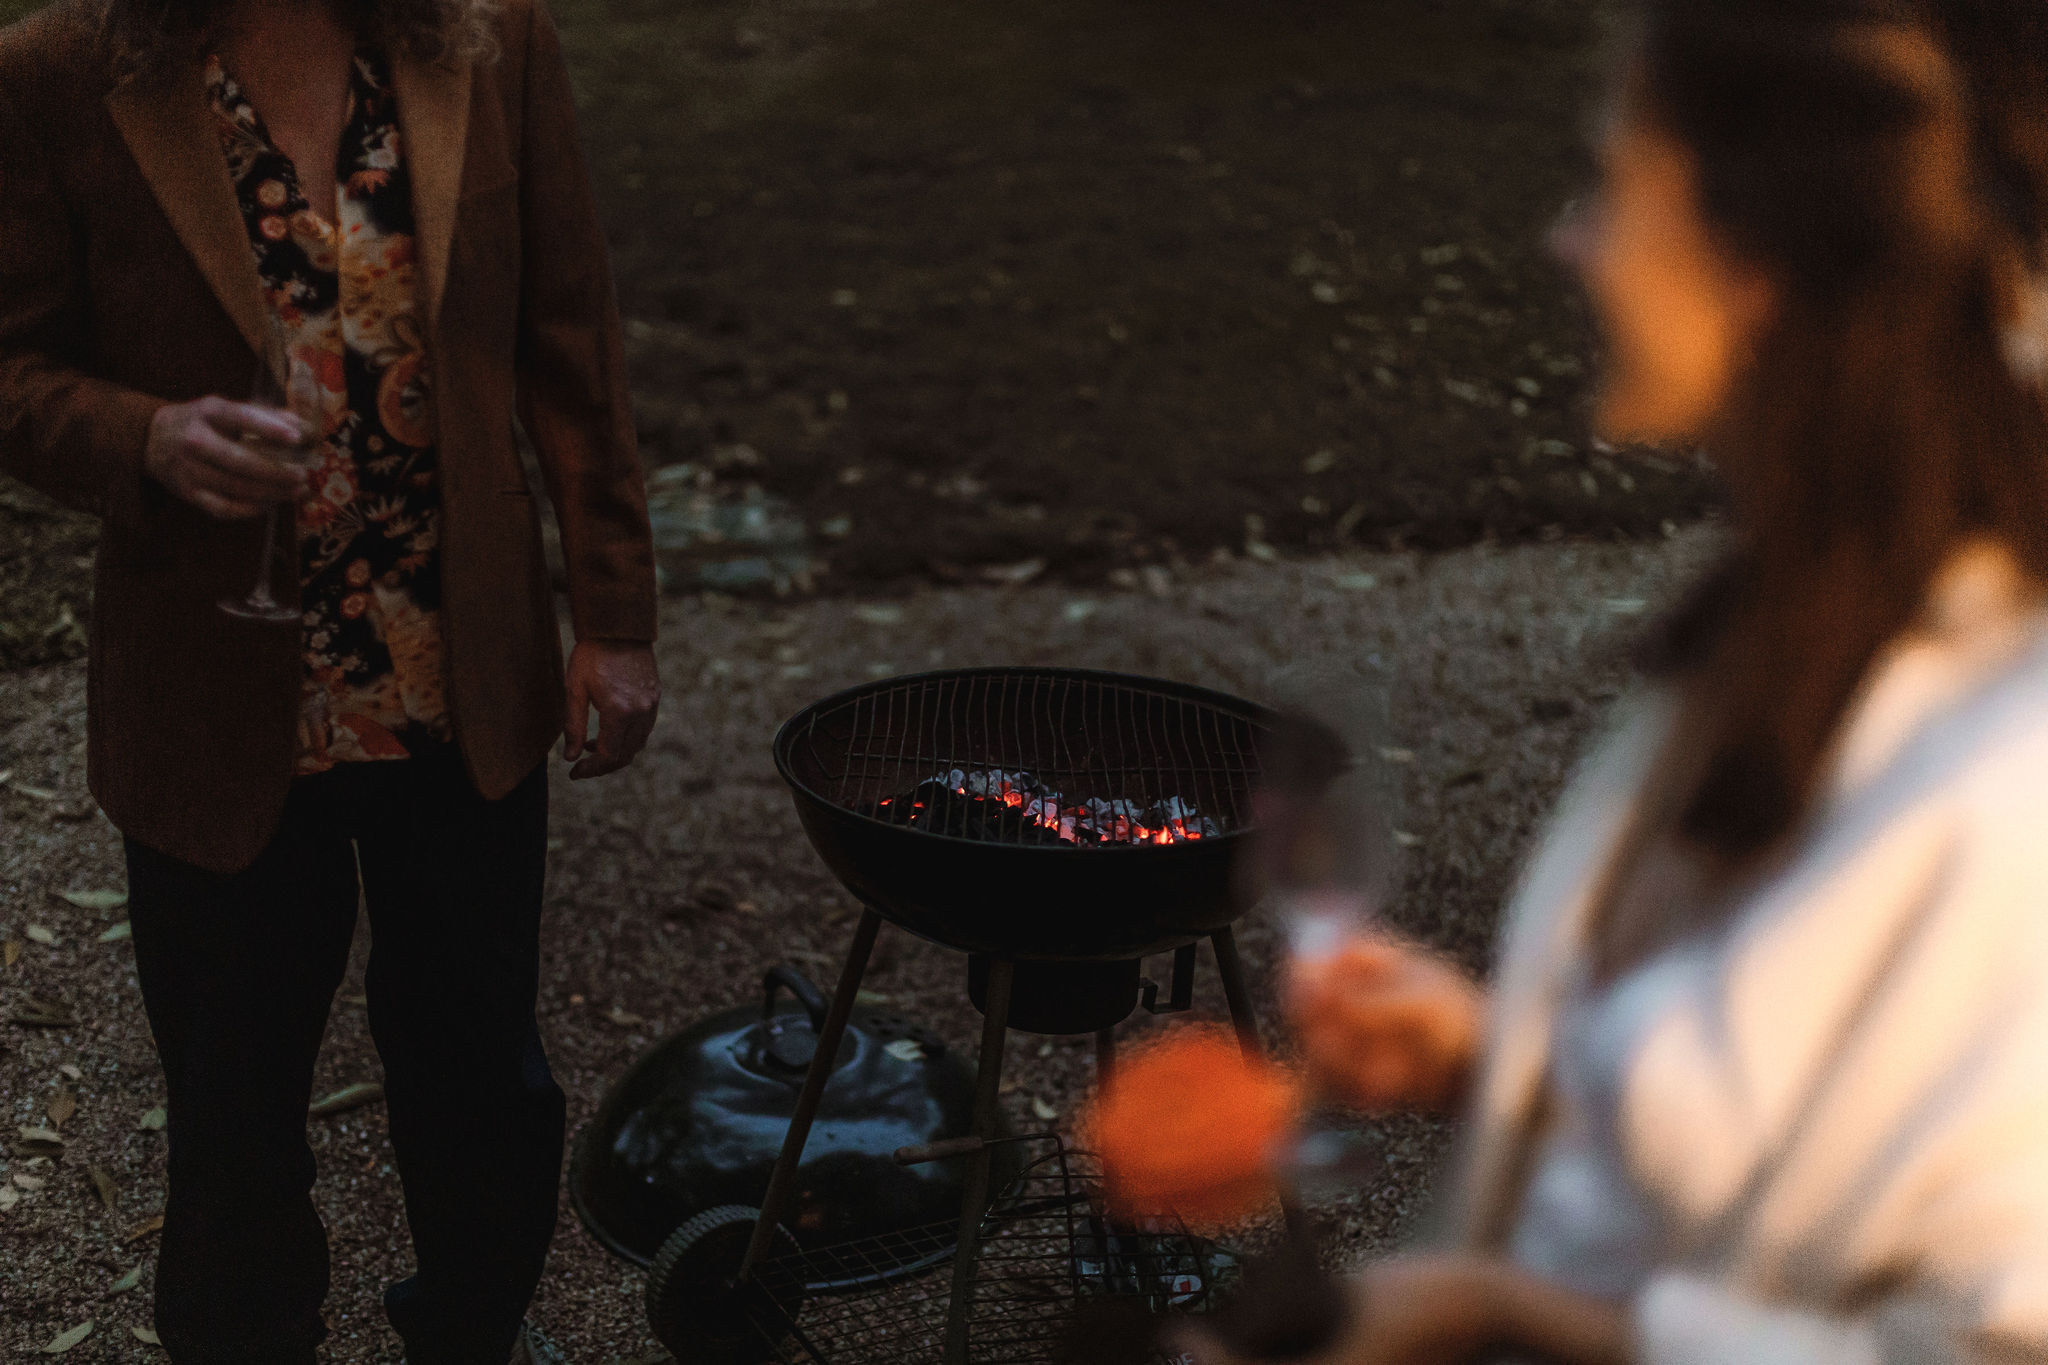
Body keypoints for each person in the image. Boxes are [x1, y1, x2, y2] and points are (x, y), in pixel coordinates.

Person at [1212, 0, 2048, 1361]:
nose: (1570, 240)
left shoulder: (2007, 780)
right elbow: (1780, 1111)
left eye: (1614, 187)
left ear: (1757, 263)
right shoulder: (1791, 626)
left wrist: (1506, 1310)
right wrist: (1497, 1060)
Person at [0, 0, 660, 1357]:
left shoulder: (492, 35)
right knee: (233, 1127)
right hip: (215, 703)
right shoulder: (53, 71)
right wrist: (142, 436)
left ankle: (475, 1326)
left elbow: (571, 335)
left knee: (482, 1082)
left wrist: (613, 611)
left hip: (457, 681)